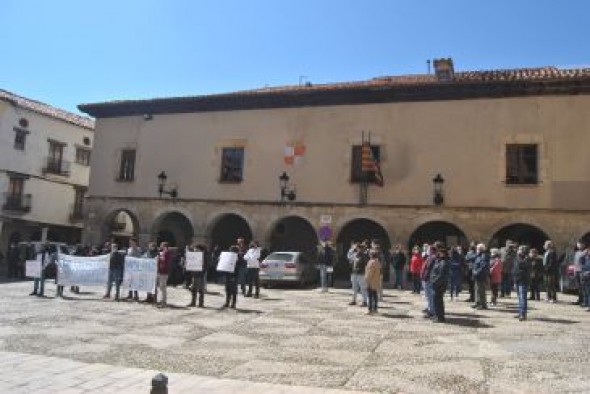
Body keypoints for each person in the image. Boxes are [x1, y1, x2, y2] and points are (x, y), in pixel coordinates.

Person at [430, 243, 450, 323]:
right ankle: (437, 315)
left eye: (441, 253)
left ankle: (440, 317)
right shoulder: (439, 261)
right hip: (435, 284)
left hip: (439, 285)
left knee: (438, 301)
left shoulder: (444, 262)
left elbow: (441, 275)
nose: (439, 253)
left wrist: (434, 282)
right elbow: (434, 271)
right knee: (436, 301)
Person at [513, 245, 531, 321]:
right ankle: (520, 312)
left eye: (519, 249)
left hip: (523, 280)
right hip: (517, 279)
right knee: (520, 298)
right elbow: (515, 269)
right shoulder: (517, 258)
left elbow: (523, 266)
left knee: (523, 297)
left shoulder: (527, 259)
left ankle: (523, 314)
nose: (518, 250)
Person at [348, 241, 368, 306]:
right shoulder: (355, 254)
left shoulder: (364, 256)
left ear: (360, 248)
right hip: (354, 273)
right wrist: (351, 250)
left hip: (361, 273)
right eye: (356, 248)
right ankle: (354, 300)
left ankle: (364, 301)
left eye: (357, 248)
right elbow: (349, 257)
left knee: (363, 288)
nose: (356, 249)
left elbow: (366, 264)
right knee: (354, 287)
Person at [421, 244, 437, 318]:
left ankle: (432, 311)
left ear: (431, 250)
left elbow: (430, 268)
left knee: (430, 296)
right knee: (427, 295)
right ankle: (429, 308)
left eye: (428, 249)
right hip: (426, 278)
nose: (426, 250)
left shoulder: (433, 258)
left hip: (428, 279)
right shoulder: (429, 257)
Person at [472, 243, 489, 310]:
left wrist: (476, 272)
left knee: (481, 290)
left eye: (477, 248)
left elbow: (483, 266)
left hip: (481, 275)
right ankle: (478, 303)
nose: (476, 250)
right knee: (477, 290)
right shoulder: (478, 255)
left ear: (480, 249)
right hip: (477, 275)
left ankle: (483, 305)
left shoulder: (484, 256)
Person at [364, 250, 382, 315]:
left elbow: (370, 273)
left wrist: (366, 280)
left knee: (370, 296)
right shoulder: (377, 262)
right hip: (375, 281)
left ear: (371, 255)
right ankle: (375, 309)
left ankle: (369, 309)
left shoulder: (371, 262)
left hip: (371, 281)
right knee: (375, 295)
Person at [156, 242, 171, 308]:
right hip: (160, 271)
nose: (160, 247)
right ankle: (161, 300)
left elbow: (165, 262)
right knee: (161, 287)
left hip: (164, 272)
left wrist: (160, 257)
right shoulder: (162, 253)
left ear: (165, 246)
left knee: (163, 287)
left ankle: (163, 302)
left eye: (161, 246)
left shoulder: (167, 253)